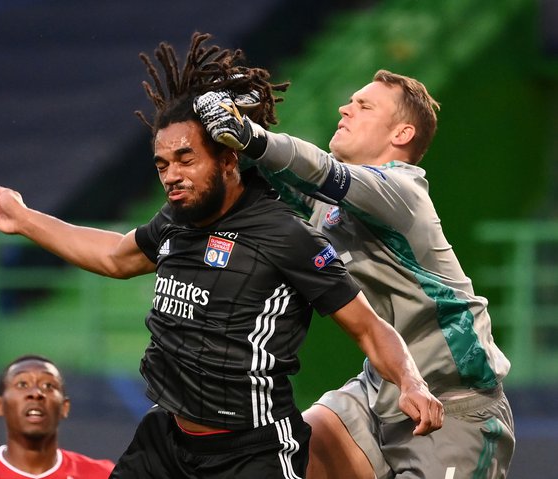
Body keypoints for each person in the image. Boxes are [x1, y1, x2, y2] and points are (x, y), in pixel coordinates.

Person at [0, 33, 443, 479]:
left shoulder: (286, 235)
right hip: (167, 439)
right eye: (162, 164)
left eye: (186, 159)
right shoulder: (177, 217)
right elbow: (114, 256)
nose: (171, 175)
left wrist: (410, 382)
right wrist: (24, 218)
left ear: (229, 160)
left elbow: (367, 325)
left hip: (252, 451)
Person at [194, 69, 515, 478]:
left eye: (364, 105)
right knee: (278, 462)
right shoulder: (331, 205)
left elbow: (317, 169)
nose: (345, 108)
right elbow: (272, 177)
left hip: (455, 409)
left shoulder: (403, 193)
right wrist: (207, 124)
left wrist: (250, 134)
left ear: (400, 134)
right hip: (378, 393)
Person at [0, 354, 115, 479]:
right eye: (22, 384)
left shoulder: (103, 474)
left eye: (48, 386)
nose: (36, 393)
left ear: (64, 407)